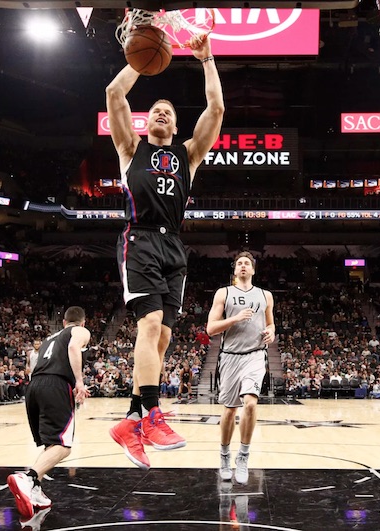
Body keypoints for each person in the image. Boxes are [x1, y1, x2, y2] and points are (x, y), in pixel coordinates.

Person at [107, 32, 225, 470]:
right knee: (150, 323)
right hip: (139, 238)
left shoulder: (189, 154)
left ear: (175, 127)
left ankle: (131, 421)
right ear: (145, 121)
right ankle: (152, 414)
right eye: (155, 109)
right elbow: (114, 92)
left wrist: (206, 59)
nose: (160, 111)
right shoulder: (129, 148)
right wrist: (143, 59)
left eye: (168, 112)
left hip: (174, 244)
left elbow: (215, 109)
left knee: (166, 336)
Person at [7, 306, 90, 527]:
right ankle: (29, 477)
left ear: (63, 322)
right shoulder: (80, 332)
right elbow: (73, 347)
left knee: (52, 444)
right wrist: (79, 381)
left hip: (34, 386)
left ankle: (34, 490)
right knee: (64, 446)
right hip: (55, 385)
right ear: (82, 322)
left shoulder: (49, 338)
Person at [207, 252, 275, 484]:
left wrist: (271, 332)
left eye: (247, 263)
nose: (243, 266)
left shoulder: (265, 295)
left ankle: (243, 456)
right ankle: (225, 455)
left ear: (253, 270)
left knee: (251, 403)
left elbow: (271, 322)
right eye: (239, 263)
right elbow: (211, 328)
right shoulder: (223, 293)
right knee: (229, 410)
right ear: (235, 271)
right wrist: (234, 319)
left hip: (255, 355)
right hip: (230, 356)